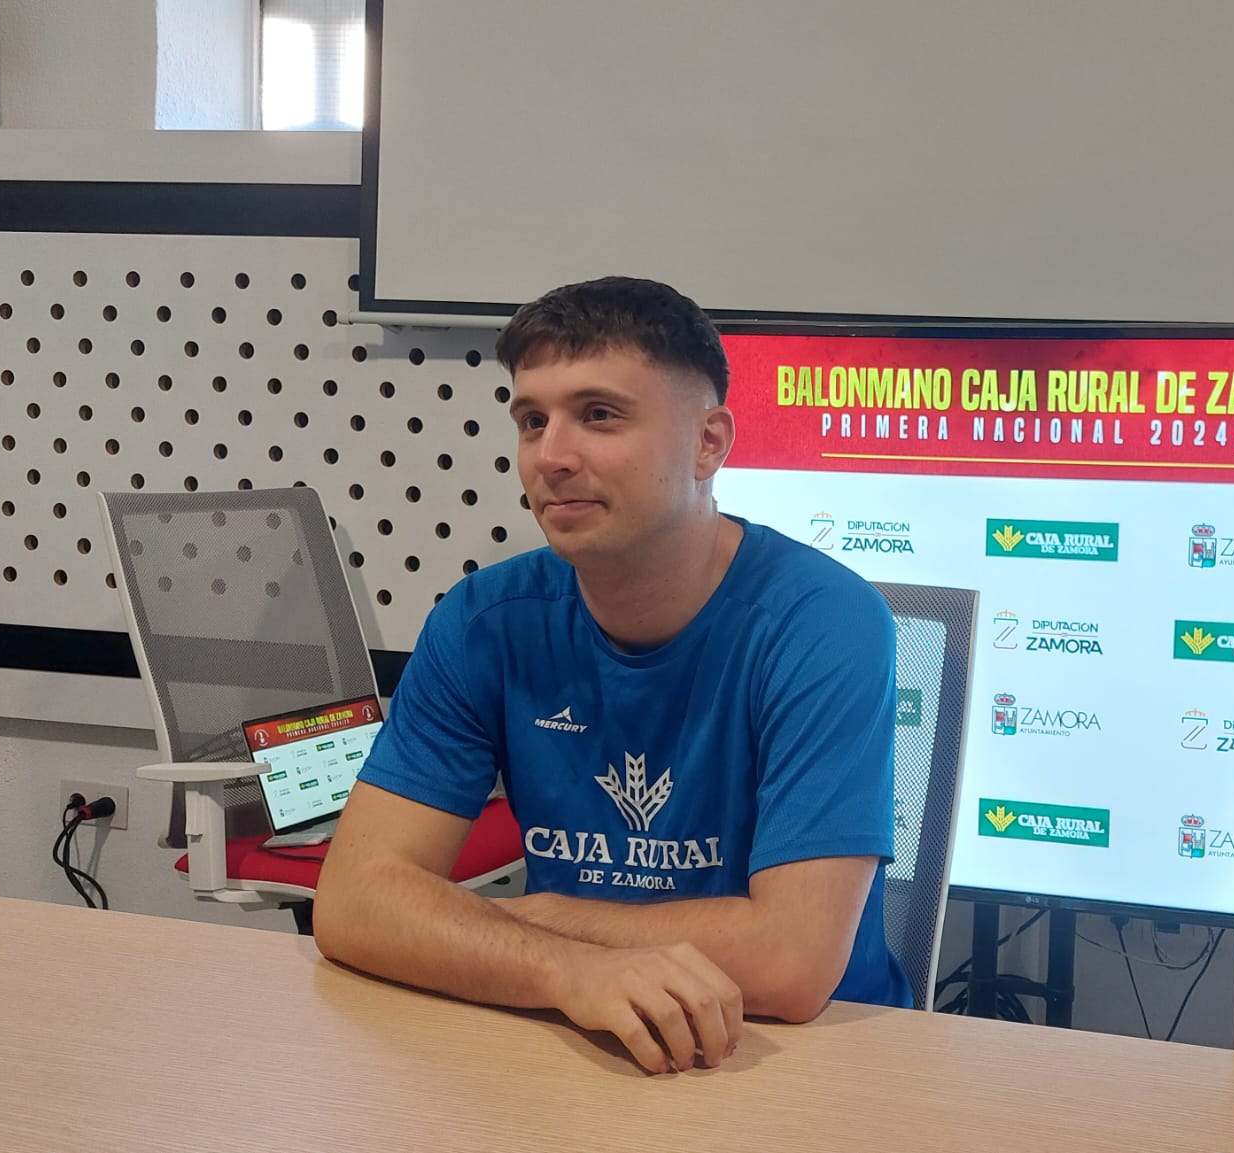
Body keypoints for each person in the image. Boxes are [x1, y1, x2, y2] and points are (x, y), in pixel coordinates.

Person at [312, 276, 911, 1075]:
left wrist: (543, 916)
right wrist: (566, 968)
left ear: (709, 442)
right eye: (532, 420)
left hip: (803, 1056)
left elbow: (790, 964)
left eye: (599, 415)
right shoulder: (484, 620)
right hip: (582, 1033)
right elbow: (353, 902)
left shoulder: (821, 621)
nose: (552, 457)